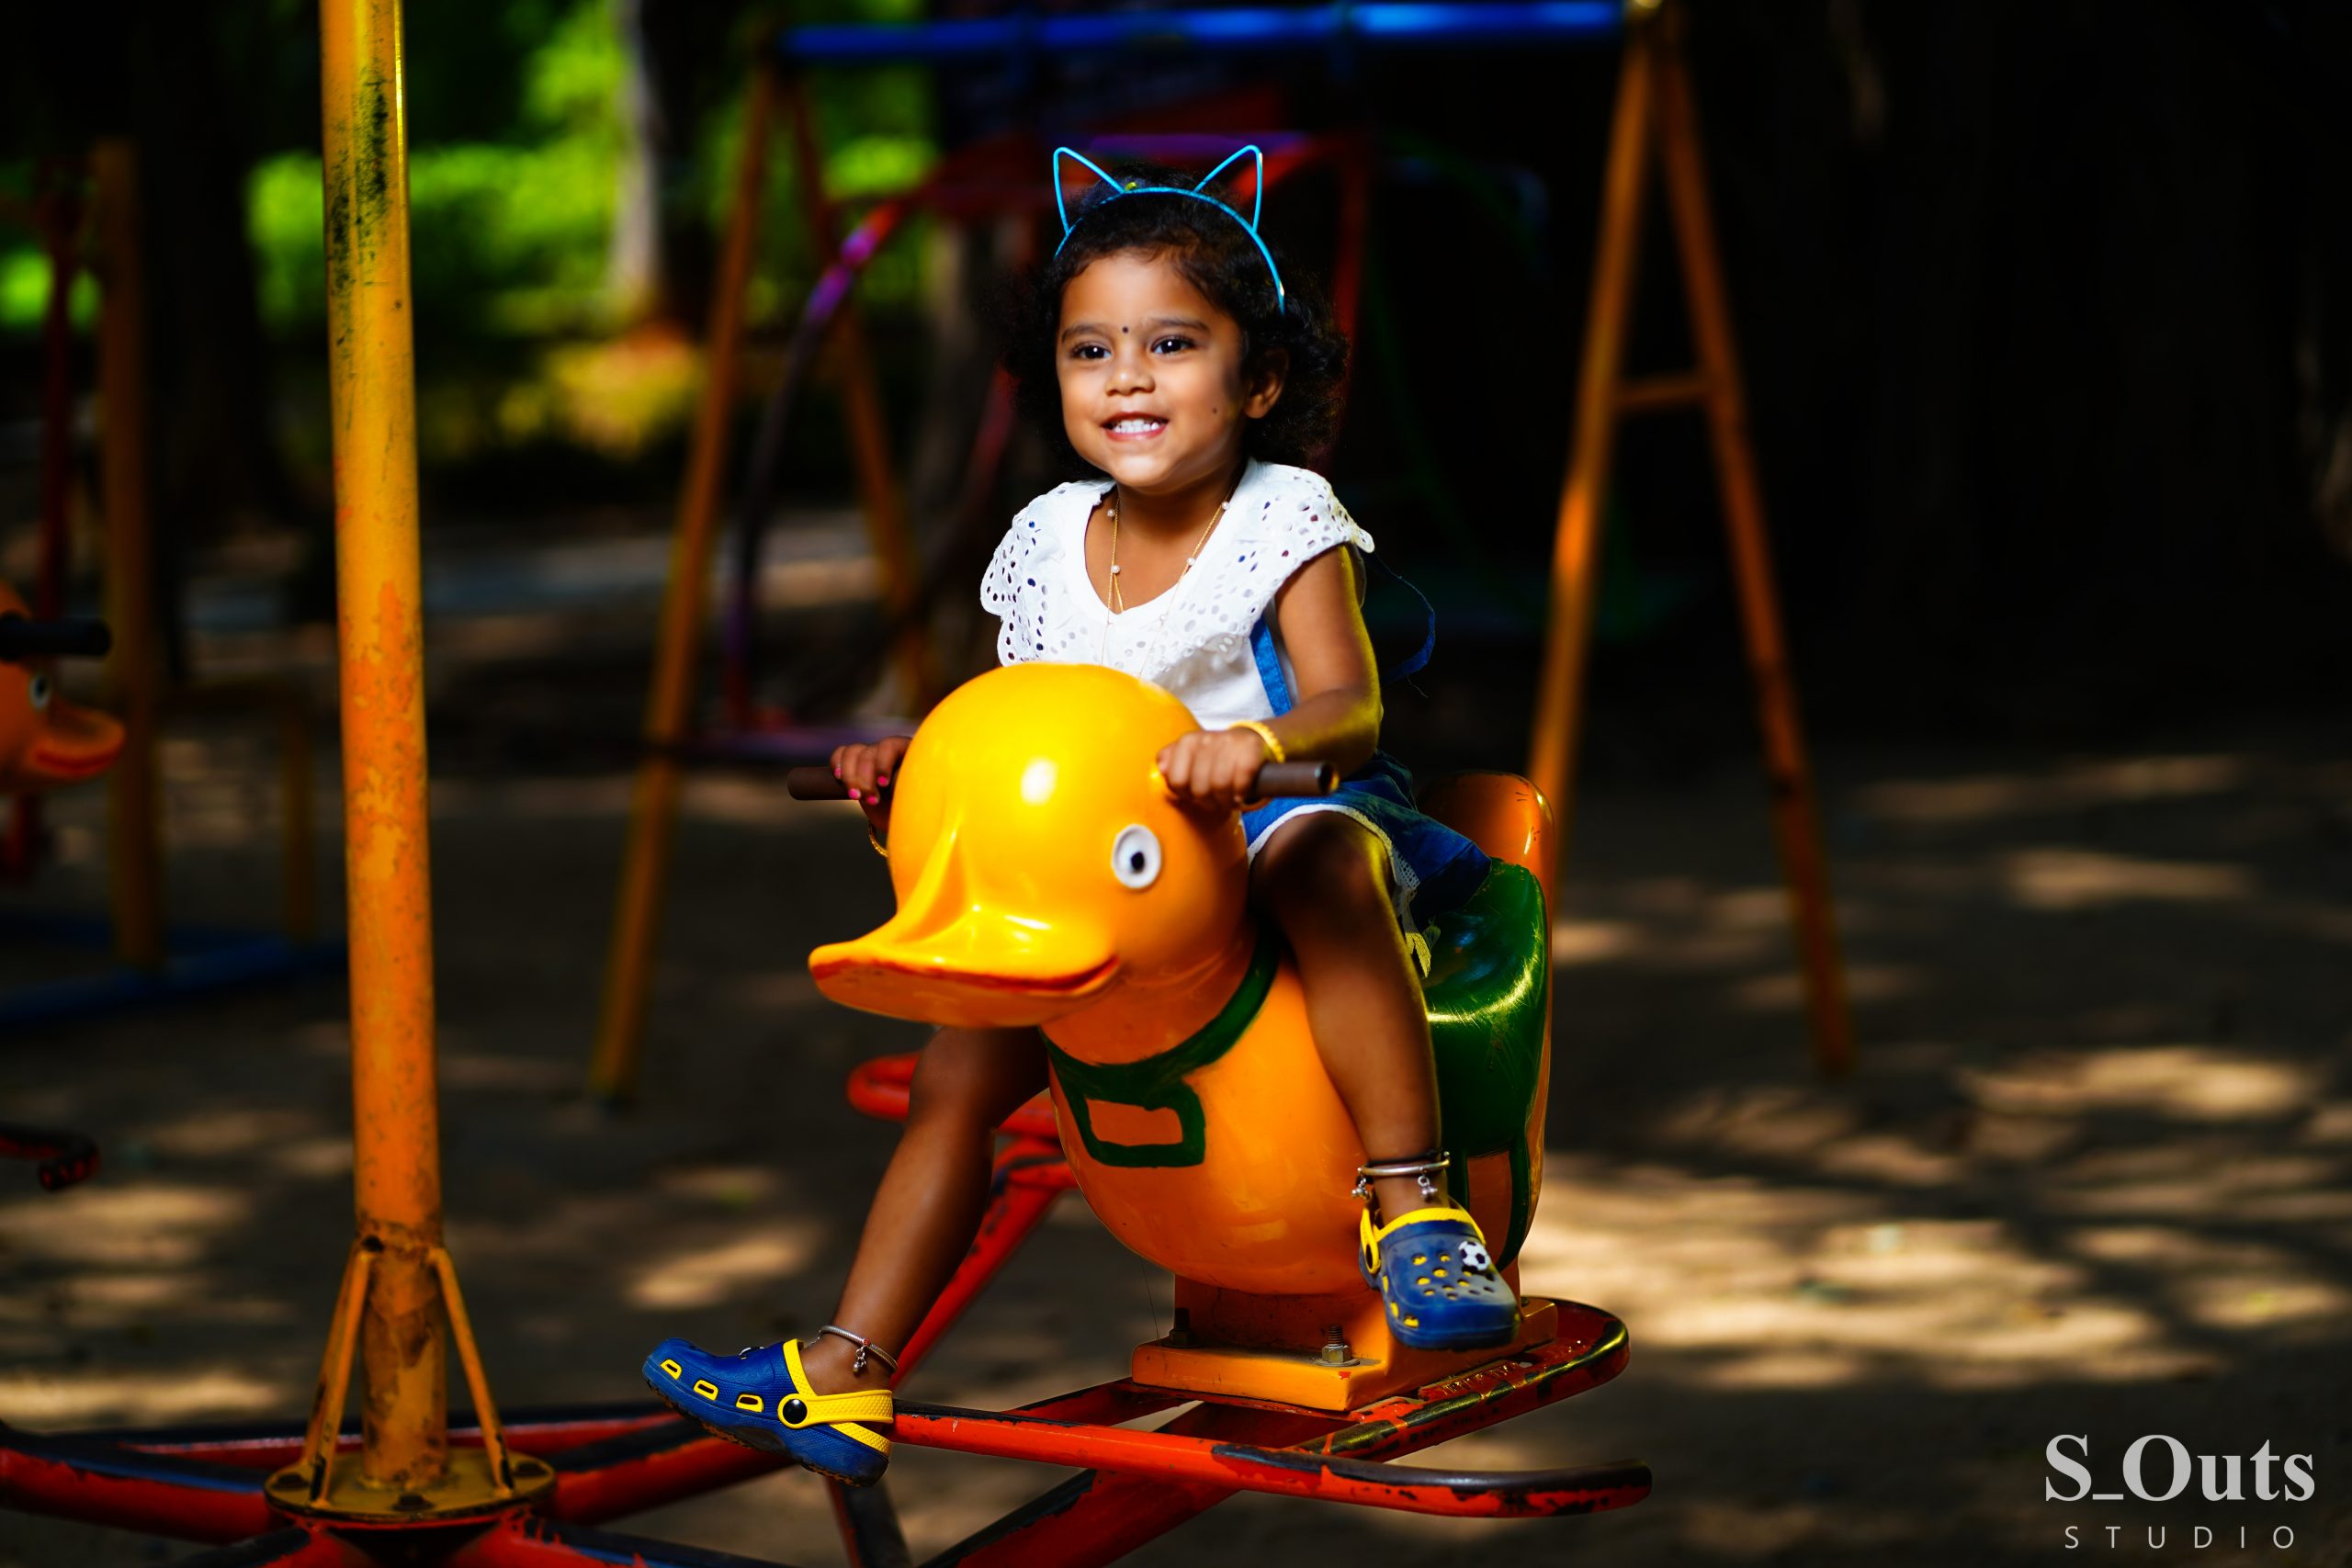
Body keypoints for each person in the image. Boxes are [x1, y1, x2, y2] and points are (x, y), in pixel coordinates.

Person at [642, 148, 1514, 1486]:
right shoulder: (1047, 536)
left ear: (1260, 380)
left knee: (1332, 861)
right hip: (1097, 875)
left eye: (1173, 343)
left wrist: (1258, 745)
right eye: (1089, 349)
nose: (1127, 377)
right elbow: (1017, 726)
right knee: (958, 1063)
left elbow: (1352, 711)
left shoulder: (1284, 517)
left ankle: (1412, 1204)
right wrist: (919, 765)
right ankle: (848, 1369)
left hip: (1259, 822)